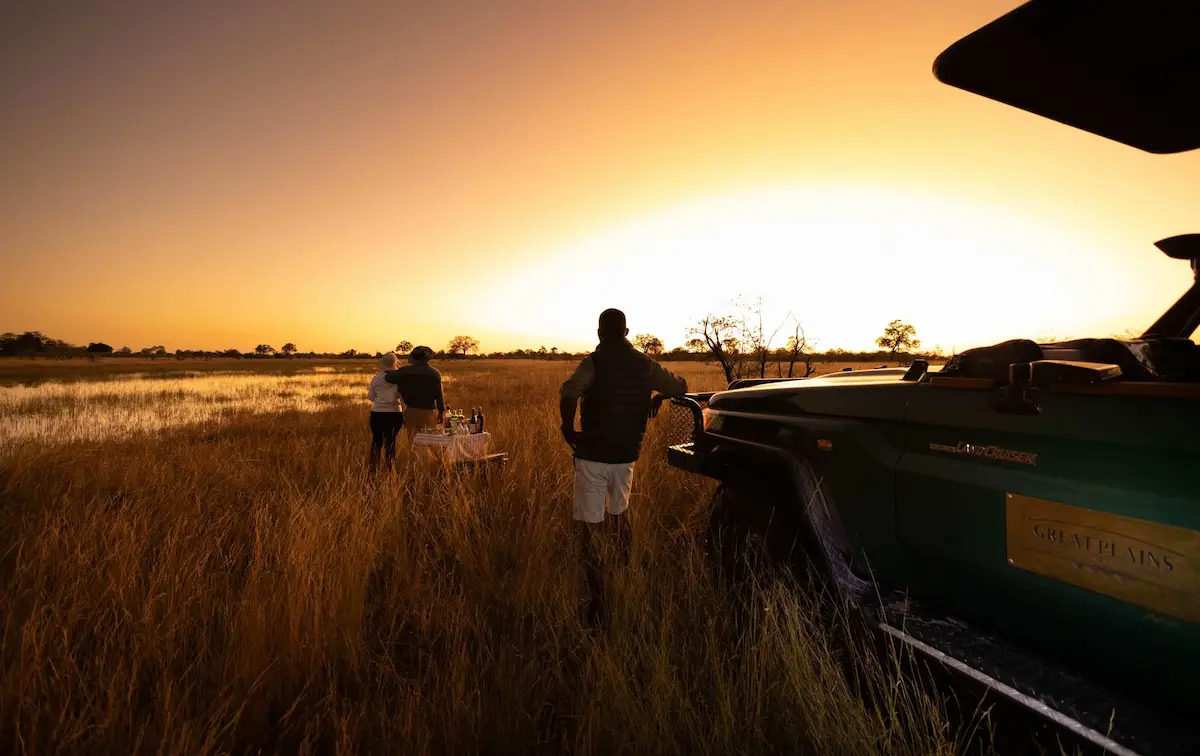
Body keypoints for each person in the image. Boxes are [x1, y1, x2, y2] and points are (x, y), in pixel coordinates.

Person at [560, 308, 688, 627]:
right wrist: (657, 396)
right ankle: (625, 573)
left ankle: (599, 598)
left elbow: (569, 392)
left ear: (600, 331)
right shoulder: (645, 364)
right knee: (620, 514)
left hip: (593, 455)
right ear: (627, 332)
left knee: (590, 525)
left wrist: (567, 427)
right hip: (625, 456)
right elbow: (680, 388)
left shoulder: (595, 361)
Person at [384, 345, 445, 438]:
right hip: (428, 412)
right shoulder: (434, 373)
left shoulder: (405, 371)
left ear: (413, 357)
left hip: (411, 411)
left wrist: (392, 368)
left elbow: (388, 378)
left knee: (414, 442)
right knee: (430, 441)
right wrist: (441, 412)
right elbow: (439, 395)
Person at [367, 352, 405, 473]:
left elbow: (371, 396)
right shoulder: (399, 378)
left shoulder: (377, 378)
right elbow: (403, 399)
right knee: (391, 441)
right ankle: (391, 469)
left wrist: (381, 402)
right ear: (395, 362)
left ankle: (373, 468)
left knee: (376, 441)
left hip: (377, 413)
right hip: (395, 413)